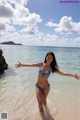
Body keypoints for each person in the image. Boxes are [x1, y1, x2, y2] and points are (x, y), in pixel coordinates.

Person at [15, 52, 80, 112]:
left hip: (46, 87)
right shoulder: (40, 64)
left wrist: (73, 75)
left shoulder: (52, 68)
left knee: (44, 100)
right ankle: (42, 115)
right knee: (40, 102)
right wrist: (21, 65)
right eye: (48, 57)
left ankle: (47, 110)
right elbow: (31, 65)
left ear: (52, 59)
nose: (49, 59)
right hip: (38, 86)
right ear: (46, 57)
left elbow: (62, 73)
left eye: (51, 58)